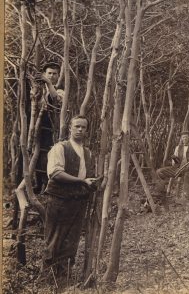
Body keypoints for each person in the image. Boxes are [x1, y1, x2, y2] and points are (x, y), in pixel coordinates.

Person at [39, 115, 98, 286]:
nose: (80, 130)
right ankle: (46, 282)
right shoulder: (60, 148)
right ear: (70, 128)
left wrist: (93, 182)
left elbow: (86, 176)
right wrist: (81, 181)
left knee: (71, 243)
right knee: (53, 242)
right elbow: (55, 173)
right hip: (59, 201)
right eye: (77, 126)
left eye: (84, 127)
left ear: (87, 130)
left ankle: (63, 281)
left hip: (78, 201)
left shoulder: (87, 152)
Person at [34, 62, 64, 194]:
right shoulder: (39, 89)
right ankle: (37, 183)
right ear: (44, 74)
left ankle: (46, 185)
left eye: (54, 74)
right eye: (49, 73)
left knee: (47, 154)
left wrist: (49, 83)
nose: (51, 76)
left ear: (58, 76)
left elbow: (56, 99)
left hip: (50, 126)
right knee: (35, 153)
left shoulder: (59, 90)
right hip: (35, 125)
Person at [156, 131, 189, 201]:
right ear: (181, 138)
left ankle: (186, 202)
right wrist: (174, 160)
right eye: (183, 137)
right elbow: (174, 164)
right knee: (159, 171)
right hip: (178, 169)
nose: (185, 139)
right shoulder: (178, 147)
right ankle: (163, 190)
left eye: (186, 137)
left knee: (186, 194)